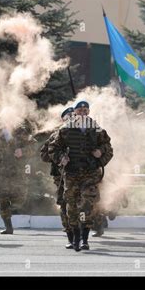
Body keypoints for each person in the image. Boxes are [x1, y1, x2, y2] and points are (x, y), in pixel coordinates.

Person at [48, 100, 113, 251]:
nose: (83, 112)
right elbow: (53, 148)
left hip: (90, 174)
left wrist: (100, 154)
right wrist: (61, 158)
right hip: (71, 174)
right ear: (75, 112)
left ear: (88, 112)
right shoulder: (65, 130)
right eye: (80, 110)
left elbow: (108, 148)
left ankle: (84, 239)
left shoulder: (96, 129)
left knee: (87, 206)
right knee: (71, 207)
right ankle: (75, 237)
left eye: (85, 110)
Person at [40, 107, 74, 248]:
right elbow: (44, 155)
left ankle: (82, 231)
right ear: (63, 119)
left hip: (80, 175)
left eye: (73, 116)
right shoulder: (56, 135)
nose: (71, 118)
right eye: (68, 116)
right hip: (61, 177)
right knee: (64, 203)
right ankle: (70, 234)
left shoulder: (84, 133)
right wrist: (59, 158)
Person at [0, 122, 33, 235]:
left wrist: (23, 151)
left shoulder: (22, 130)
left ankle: (14, 208)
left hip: (18, 173)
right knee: (3, 200)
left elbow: (33, 147)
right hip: (2, 173)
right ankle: (8, 227)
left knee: (19, 200)